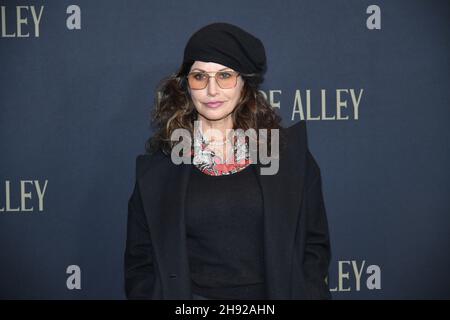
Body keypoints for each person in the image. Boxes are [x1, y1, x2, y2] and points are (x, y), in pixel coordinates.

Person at [124, 22, 331, 300]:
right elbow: (140, 260)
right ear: (186, 85)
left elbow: (314, 246)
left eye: (224, 75)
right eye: (199, 76)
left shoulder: (287, 155)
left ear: (245, 82)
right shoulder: (160, 169)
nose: (211, 90)